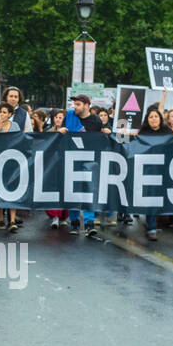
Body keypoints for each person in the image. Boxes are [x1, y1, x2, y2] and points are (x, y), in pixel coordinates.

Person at [63, 94, 105, 238]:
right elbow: (59, 133)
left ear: (87, 105)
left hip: (90, 161)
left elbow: (105, 138)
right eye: (74, 104)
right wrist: (59, 131)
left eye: (78, 104)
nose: (75, 107)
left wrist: (107, 132)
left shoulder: (96, 121)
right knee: (73, 192)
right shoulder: (69, 116)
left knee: (89, 192)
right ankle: (74, 222)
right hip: (72, 160)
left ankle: (89, 224)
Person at [138, 105, 173, 240]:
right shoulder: (143, 133)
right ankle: (151, 227)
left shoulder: (167, 132)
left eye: (156, 117)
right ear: (147, 120)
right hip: (149, 170)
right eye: (151, 117)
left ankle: (157, 223)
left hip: (164, 169)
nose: (154, 119)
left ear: (160, 119)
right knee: (152, 197)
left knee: (161, 197)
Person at [0, 102, 23, 231]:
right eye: (0, 112)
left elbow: (19, 141)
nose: (2, 115)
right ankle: (0, 218)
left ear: (10, 114)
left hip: (12, 161)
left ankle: (12, 220)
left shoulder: (15, 126)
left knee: (12, 190)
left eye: (4, 112)